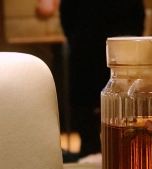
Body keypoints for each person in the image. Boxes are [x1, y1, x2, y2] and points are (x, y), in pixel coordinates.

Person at [60, 0, 145, 160]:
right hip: (120, 53)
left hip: (85, 49)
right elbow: (137, 17)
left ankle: (92, 156)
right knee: (122, 118)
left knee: (88, 117)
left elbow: (67, 16)